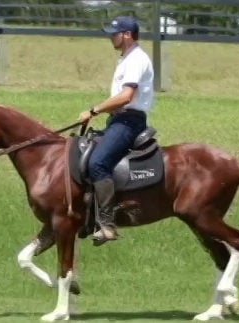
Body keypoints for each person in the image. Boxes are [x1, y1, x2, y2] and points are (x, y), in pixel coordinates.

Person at [78, 16, 156, 244]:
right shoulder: (127, 59)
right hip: (118, 121)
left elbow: (125, 97)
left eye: (115, 32)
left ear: (127, 35)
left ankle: (107, 224)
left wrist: (94, 111)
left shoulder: (136, 60)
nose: (111, 36)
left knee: (98, 163)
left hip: (128, 122)